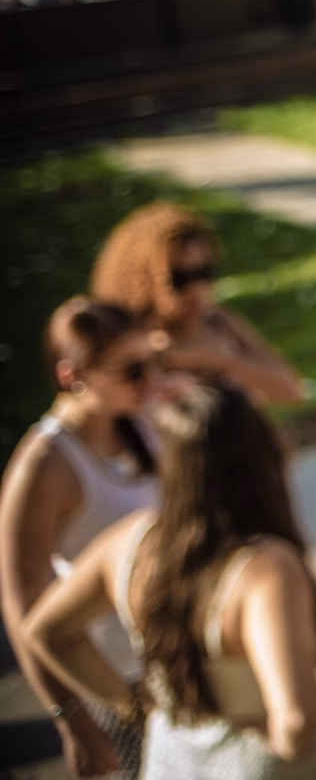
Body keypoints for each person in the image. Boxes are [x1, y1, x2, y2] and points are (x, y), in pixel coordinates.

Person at [24, 381, 316, 779]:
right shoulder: (265, 568)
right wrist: (280, 743)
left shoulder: (129, 541)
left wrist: (131, 703)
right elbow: (298, 720)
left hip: (174, 757)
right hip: (260, 766)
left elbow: (45, 630)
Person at [0, 300, 161, 778]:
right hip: (118, 682)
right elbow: (24, 606)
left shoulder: (141, 421)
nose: (149, 378)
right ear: (73, 375)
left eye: (154, 360)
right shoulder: (43, 465)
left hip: (177, 659)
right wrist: (72, 722)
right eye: (132, 370)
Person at [91, 204, 305, 406]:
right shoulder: (137, 349)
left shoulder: (218, 323)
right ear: (143, 280)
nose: (197, 291)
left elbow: (292, 389)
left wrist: (216, 360)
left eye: (205, 273)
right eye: (179, 279)